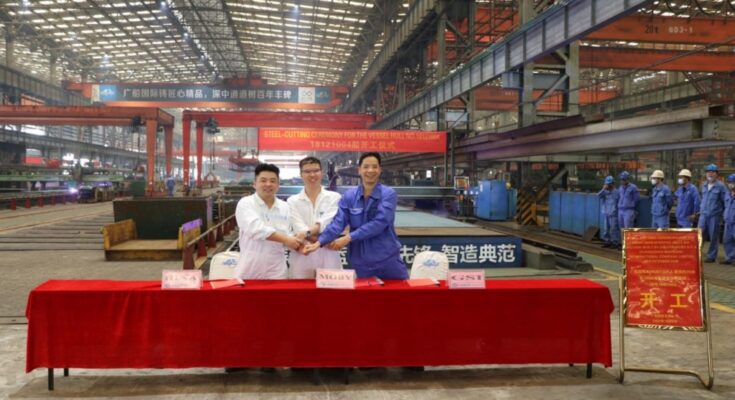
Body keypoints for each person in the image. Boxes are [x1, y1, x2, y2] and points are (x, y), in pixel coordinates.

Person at [302, 152, 409, 280]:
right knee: (366, 293)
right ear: (359, 170)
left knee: (400, 292)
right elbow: (338, 223)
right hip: (361, 262)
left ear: (380, 170)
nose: (370, 170)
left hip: (388, 260)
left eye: (374, 167)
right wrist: (320, 242)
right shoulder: (350, 196)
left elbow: (380, 223)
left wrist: (348, 238)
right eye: (366, 167)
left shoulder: (388, 194)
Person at [234, 163, 302, 279]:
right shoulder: (246, 203)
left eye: (273, 181)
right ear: (254, 184)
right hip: (250, 269)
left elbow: (288, 233)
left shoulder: (284, 207)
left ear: (278, 185)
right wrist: (286, 239)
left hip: (277, 270)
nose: (268, 184)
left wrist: (297, 244)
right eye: (263, 180)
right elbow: (256, 229)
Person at [287, 156, 342, 278]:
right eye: (307, 171)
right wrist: (323, 241)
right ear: (301, 174)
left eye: (316, 170)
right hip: (302, 255)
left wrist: (309, 236)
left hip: (329, 256)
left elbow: (328, 222)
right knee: (300, 289)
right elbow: (298, 227)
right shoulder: (292, 201)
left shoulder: (334, 197)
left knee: (331, 289)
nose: (312, 175)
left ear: (321, 172)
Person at [699, 163, 727, 263]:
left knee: (713, 237)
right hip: (703, 215)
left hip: (714, 216)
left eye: (712, 172)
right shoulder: (703, 185)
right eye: (708, 172)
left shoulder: (721, 186)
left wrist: (723, 215)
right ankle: (696, 253)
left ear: (716, 174)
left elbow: (725, 202)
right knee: (699, 235)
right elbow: (702, 199)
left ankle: (711, 256)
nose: (710, 174)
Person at [598, 175, 620, 248]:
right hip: (606, 212)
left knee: (613, 229)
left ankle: (615, 243)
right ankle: (607, 241)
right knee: (606, 229)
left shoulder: (617, 192)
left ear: (612, 184)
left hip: (614, 213)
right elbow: (598, 196)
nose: (608, 185)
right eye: (607, 184)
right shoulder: (605, 192)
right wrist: (603, 189)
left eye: (609, 184)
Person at [721, 174, 735, 265]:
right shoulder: (727, 194)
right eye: (729, 182)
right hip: (728, 222)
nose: (731, 184)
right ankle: (729, 258)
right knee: (727, 241)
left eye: (733, 182)